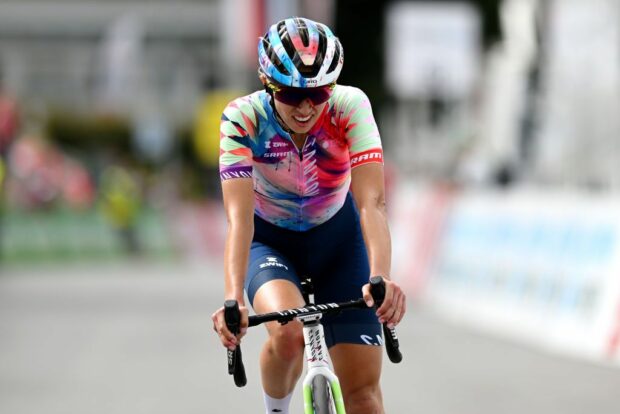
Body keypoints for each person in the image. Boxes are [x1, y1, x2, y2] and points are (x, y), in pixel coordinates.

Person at [211, 17, 406, 413]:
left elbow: (371, 203)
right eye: (289, 94)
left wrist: (381, 276)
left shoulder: (350, 106)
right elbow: (239, 219)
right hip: (269, 242)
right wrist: (234, 299)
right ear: (268, 85)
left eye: (317, 95)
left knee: (364, 397)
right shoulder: (242, 118)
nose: (304, 107)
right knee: (287, 336)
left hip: (339, 242)